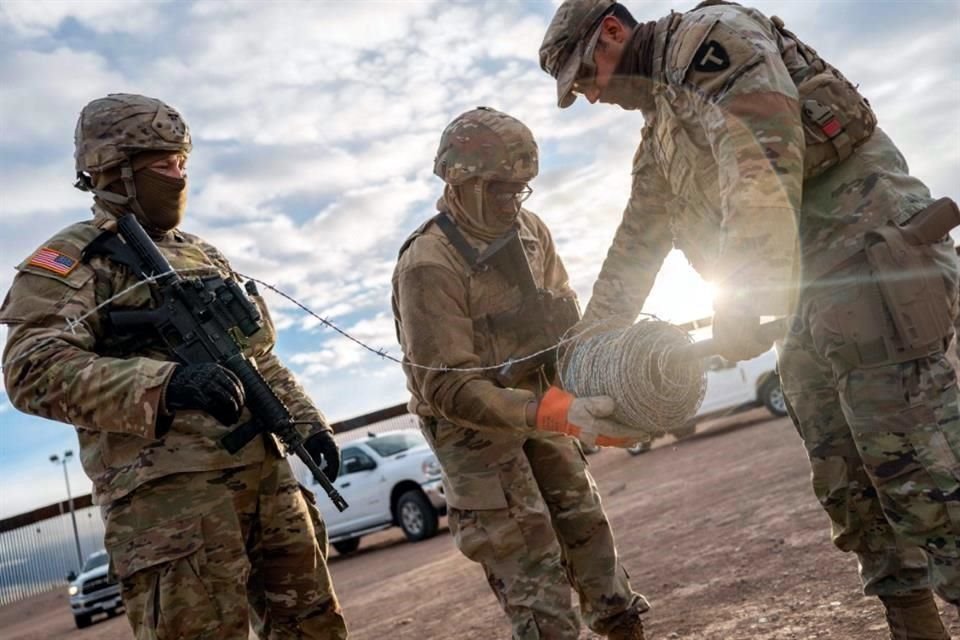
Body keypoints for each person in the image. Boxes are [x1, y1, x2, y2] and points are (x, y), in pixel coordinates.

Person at [539, 1, 960, 638]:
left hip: (868, 272)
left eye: (585, 77)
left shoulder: (713, 42)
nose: (591, 97)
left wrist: (741, 298)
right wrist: (588, 343)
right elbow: (638, 238)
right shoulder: (661, 128)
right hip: (808, 302)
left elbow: (763, 160)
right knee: (850, 488)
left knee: (923, 475)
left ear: (613, 33)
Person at [0, 93, 348, 640]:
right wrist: (166, 383)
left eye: (182, 161)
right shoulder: (73, 259)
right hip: (171, 504)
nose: (178, 174)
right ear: (115, 170)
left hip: (267, 477)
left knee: (314, 627)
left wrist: (307, 422)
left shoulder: (203, 255)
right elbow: (32, 369)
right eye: (163, 164)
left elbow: (255, 358)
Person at [391, 106, 649, 640]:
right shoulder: (428, 264)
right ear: (457, 182)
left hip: (541, 400)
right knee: (530, 566)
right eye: (499, 188)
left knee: (588, 532)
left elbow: (563, 324)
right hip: (474, 433)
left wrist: (603, 391)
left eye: (521, 188)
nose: (513, 201)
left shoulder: (531, 231)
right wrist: (548, 410)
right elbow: (447, 386)